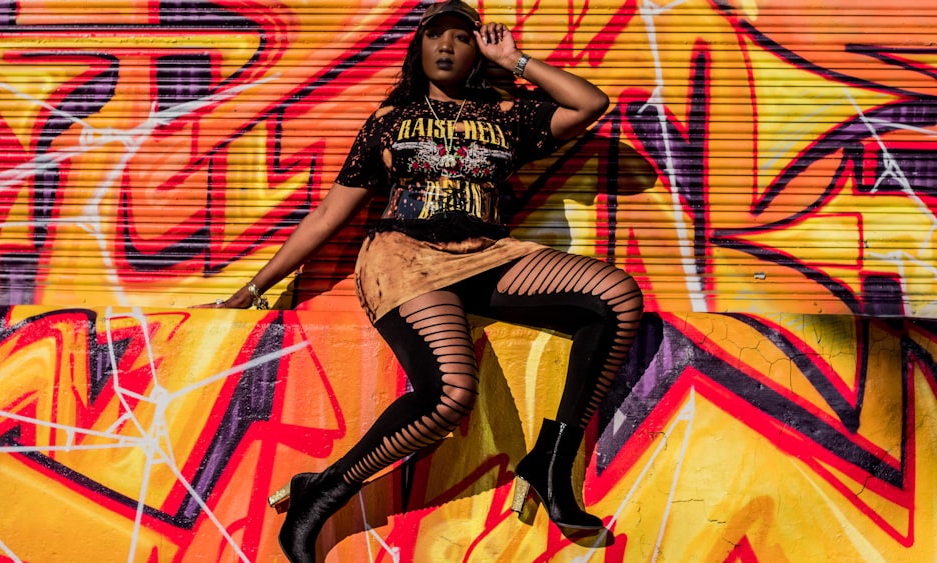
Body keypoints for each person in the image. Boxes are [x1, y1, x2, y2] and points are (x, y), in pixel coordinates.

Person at [201, 1, 643, 560]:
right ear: (418, 47)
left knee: (616, 298)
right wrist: (252, 288)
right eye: (435, 34)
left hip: (486, 252)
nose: (447, 46)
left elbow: (590, 103)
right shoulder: (389, 120)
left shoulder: (509, 115)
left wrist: (516, 59)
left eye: (462, 38)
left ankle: (551, 463)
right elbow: (326, 217)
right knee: (449, 395)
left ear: (475, 53)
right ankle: (324, 491)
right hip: (405, 258)